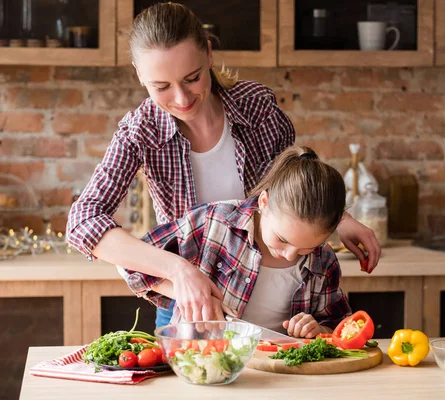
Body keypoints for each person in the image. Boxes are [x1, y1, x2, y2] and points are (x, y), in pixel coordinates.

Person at [66, 2, 380, 327]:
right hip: (190, 303)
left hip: (268, 299)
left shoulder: (257, 108)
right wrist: (180, 271)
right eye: (160, 87)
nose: (181, 98)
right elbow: (82, 222)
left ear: (209, 54)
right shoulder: (141, 130)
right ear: (139, 74)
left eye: (192, 78)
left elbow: (292, 183)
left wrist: (335, 219)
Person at [125, 145, 351, 336]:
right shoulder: (215, 223)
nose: (291, 254)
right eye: (282, 240)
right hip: (203, 362)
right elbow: (130, 263)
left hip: (281, 376)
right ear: (264, 202)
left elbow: (341, 327)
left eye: (306, 249)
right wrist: (187, 291)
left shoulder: (324, 260)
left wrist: (320, 331)